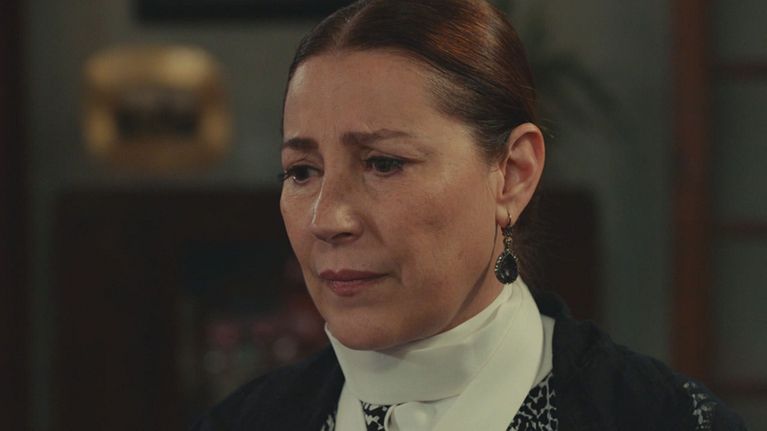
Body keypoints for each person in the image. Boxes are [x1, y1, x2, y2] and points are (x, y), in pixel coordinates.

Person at [192, 0, 747, 430]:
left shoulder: (665, 419)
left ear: (513, 174)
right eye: (302, 171)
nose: (327, 218)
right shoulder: (245, 422)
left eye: (384, 163)